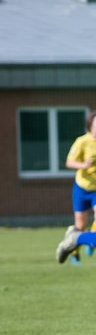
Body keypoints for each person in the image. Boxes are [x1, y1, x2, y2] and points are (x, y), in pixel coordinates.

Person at [55, 110, 96, 263]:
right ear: (90, 126)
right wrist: (83, 165)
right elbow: (69, 162)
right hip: (83, 187)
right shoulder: (82, 142)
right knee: (81, 224)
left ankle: (84, 239)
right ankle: (76, 248)